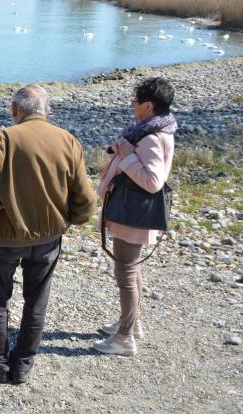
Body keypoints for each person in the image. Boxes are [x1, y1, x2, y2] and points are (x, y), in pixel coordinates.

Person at [0, 84, 96, 384]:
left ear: (15, 110)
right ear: (46, 111)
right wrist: (71, 219)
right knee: (36, 301)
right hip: (47, 238)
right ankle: (21, 365)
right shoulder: (68, 141)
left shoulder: (4, 139)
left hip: (4, 236)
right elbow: (86, 199)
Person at [93, 77, 177, 356]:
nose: (132, 105)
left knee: (126, 272)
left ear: (148, 106)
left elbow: (153, 181)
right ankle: (132, 323)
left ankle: (125, 337)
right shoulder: (152, 131)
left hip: (133, 213)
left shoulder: (152, 137)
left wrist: (127, 156)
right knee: (132, 269)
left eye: (136, 101)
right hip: (133, 211)